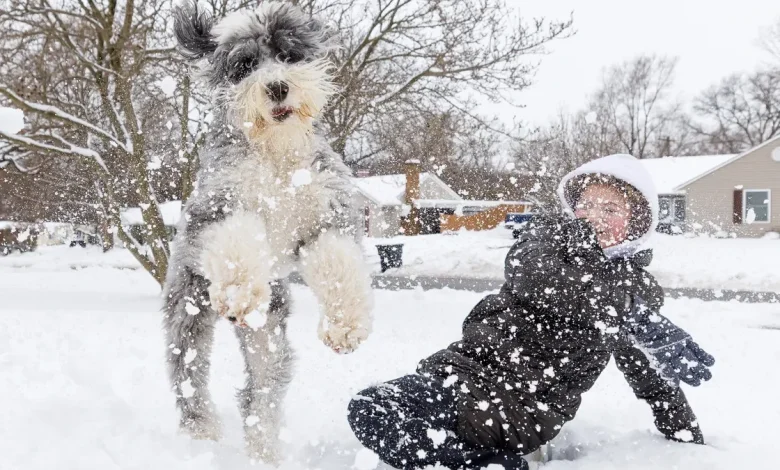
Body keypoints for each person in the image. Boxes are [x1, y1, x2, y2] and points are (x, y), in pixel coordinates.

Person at [346, 154, 715, 470]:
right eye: (586, 205)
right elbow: (532, 275)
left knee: (377, 412)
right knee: (371, 407)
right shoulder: (547, 240)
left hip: (522, 406)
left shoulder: (635, 291)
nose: (594, 217)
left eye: (610, 209)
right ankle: (483, 463)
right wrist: (617, 303)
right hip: (463, 373)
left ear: (636, 223)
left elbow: (648, 373)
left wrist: (685, 433)